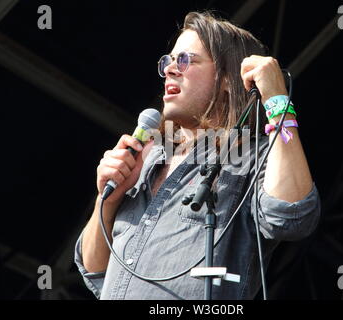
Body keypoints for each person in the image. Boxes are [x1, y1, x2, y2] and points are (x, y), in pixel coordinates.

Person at [74, 11, 320, 300]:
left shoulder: (255, 154)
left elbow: (291, 215)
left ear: (228, 78)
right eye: (167, 61)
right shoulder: (147, 157)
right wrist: (107, 200)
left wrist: (278, 102)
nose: (170, 70)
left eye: (185, 60)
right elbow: (94, 269)